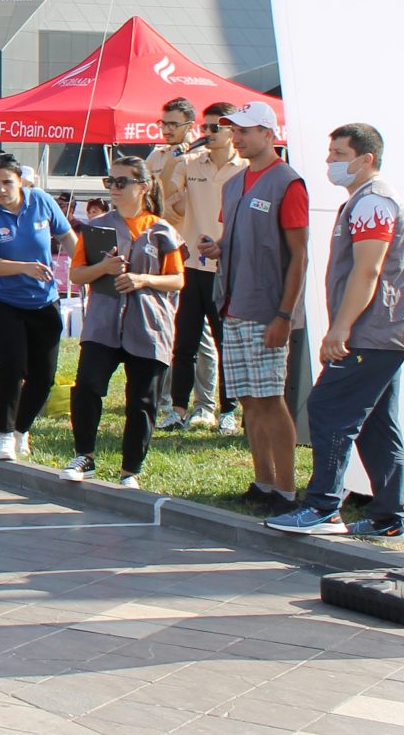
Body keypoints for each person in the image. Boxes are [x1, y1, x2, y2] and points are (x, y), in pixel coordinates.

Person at [270, 123, 404, 537]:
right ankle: (392, 516)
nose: (329, 161)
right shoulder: (364, 201)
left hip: (372, 333)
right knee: (377, 423)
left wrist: (340, 329)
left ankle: (324, 507)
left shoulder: (373, 202)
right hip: (379, 334)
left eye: (339, 154)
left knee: (329, 409)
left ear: (366, 159)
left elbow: (368, 271)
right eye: (330, 153)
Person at [204, 101, 308, 515]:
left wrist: (284, 315)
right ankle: (263, 482)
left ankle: (286, 490)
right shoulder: (234, 183)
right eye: (234, 130)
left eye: (245, 130)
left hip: (266, 309)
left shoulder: (287, 183)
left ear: (269, 134)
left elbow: (299, 255)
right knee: (249, 398)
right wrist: (217, 247)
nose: (237, 137)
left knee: (269, 398)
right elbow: (236, 236)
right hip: (233, 304)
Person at [60, 158, 186, 488]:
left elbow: (177, 279)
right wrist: (103, 268)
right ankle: (84, 455)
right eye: (110, 182)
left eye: (121, 182)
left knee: (142, 400)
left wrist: (143, 279)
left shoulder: (161, 230)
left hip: (148, 324)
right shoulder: (97, 227)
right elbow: (76, 274)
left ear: (143, 186)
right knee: (87, 386)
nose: (113, 189)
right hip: (103, 323)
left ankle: (131, 469)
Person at [0, 152, 75, 462]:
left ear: (20, 181)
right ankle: (4, 435)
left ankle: (21, 430)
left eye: (7, 182)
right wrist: (25, 268)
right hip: (2, 299)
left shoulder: (41, 200)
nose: (1, 189)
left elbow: (68, 237)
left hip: (44, 299)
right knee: (12, 366)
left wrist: (89, 269)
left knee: (44, 375)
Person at [154, 98, 246, 433]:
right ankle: (178, 409)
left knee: (226, 343)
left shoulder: (245, 167)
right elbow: (163, 195)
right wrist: (176, 158)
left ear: (232, 130)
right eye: (205, 126)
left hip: (228, 266)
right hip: (192, 263)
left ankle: (228, 410)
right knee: (185, 343)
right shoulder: (191, 161)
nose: (208, 132)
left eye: (216, 127)